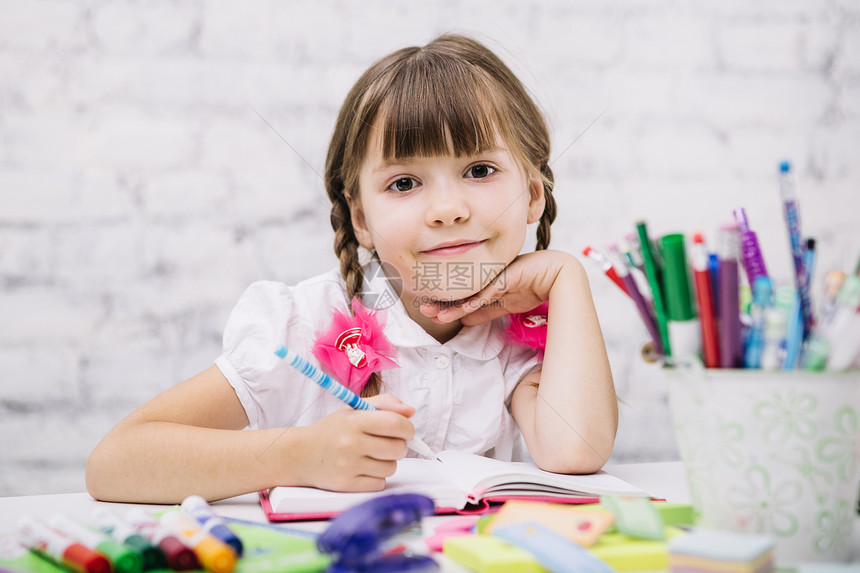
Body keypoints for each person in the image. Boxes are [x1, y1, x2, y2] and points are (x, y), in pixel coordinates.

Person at [86, 33, 617, 503]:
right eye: (404, 183)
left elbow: (575, 449)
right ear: (361, 219)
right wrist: (297, 455)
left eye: (479, 170)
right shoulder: (302, 324)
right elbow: (115, 462)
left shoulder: (517, 338)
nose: (447, 209)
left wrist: (567, 277)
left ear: (531, 195)